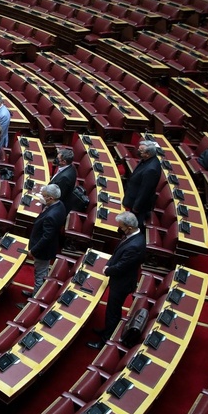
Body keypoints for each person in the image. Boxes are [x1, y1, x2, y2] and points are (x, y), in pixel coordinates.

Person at [88, 212, 146, 348]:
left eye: (121, 227)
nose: (119, 229)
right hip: (120, 280)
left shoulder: (135, 245)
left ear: (129, 227)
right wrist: (109, 263)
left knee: (112, 312)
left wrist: (107, 270)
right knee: (112, 310)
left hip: (122, 283)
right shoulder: (133, 235)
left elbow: (121, 266)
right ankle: (107, 331)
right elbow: (117, 254)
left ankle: (105, 341)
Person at [27, 184, 67, 296]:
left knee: (40, 275)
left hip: (43, 251)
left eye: (44, 196)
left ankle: (35, 300)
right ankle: (35, 294)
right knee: (41, 273)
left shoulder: (51, 216)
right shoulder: (60, 204)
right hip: (49, 246)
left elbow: (46, 238)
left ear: (50, 198)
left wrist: (33, 250)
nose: (42, 197)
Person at [124, 139, 163, 229]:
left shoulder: (151, 170)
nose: (137, 151)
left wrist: (136, 207)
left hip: (138, 204)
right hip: (133, 195)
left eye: (140, 151)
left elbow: (145, 191)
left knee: (134, 223)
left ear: (148, 154)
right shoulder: (147, 159)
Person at [49, 147, 79, 212]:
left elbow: (58, 196)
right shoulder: (69, 166)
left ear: (64, 162)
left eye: (58, 159)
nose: (56, 159)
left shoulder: (65, 178)